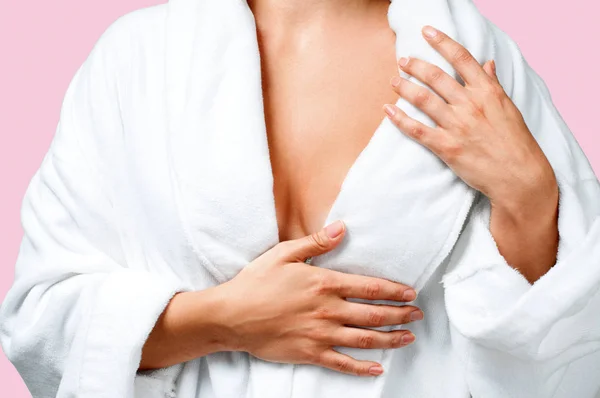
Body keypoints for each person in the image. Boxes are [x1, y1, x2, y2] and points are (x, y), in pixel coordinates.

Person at [1, 0, 599, 397]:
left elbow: (572, 341)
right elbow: (42, 318)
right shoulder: (137, 61)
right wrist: (222, 321)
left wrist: (530, 195)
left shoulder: (470, 57)